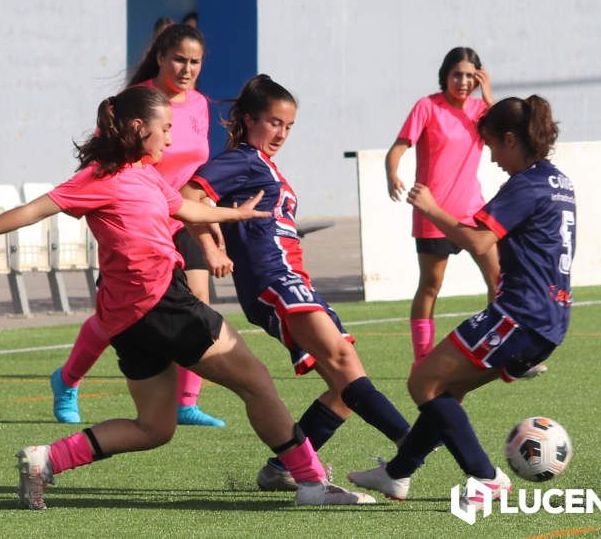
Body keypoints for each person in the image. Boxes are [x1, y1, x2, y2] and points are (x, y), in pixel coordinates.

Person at [0, 86, 375, 508]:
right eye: (166, 130)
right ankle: (312, 482)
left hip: (127, 320)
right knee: (255, 381)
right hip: (162, 304)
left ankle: (48, 460)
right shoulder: (98, 178)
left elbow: (188, 208)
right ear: (140, 128)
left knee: (154, 427)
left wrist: (235, 213)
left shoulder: (147, 174)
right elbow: (32, 210)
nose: (171, 139)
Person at [183, 74, 411, 492]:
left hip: (293, 282)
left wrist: (221, 232)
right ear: (249, 119)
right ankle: (414, 446)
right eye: (274, 122)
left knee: (346, 389)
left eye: (288, 126)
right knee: (343, 364)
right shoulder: (244, 159)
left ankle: (283, 468)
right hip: (275, 281)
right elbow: (188, 196)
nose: (282, 133)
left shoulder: (263, 165)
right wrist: (211, 249)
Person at [348, 95, 575, 510]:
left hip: (520, 315)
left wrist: (432, 209)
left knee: (423, 382)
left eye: (491, 146)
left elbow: (477, 240)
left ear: (510, 139)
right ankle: (398, 473)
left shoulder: (525, 185)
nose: (491, 158)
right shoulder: (557, 180)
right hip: (550, 318)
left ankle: (486, 478)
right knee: (447, 387)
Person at [48, 24, 226, 427]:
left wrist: (210, 227)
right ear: (161, 57)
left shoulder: (198, 105)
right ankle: (68, 380)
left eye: (195, 62)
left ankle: (186, 402)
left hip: (181, 216)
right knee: (112, 319)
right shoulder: (133, 103)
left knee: (200, 300)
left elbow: (198, 169)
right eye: (179, 59)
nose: (186, 68)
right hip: (137, 220)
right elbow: (103, 160)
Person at [384, 47, 499, 367]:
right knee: (431, 286)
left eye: (469, 75)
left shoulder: (481, 111)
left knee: (498, 280)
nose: (462, 81)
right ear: (445, 76)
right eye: (456, 74)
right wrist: (392, 173)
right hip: (433, 214)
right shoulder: (427, 107)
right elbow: (398, 148)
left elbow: (508, 126)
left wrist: (488, 94)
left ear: (478, 77)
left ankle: (498, 351)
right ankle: (422, 358)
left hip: (473, 214)